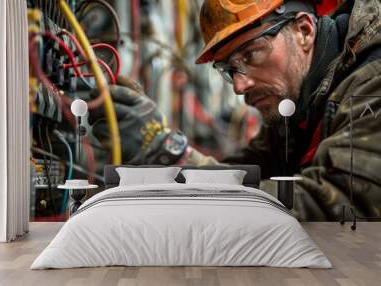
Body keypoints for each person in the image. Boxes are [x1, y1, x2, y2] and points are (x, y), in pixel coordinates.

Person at [90, 0, 381, 221]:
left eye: (251, 54)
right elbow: (240, 175)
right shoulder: (297, 110)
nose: (239, 86)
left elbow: (337, 207)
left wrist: (169, 151)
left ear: (303, 31)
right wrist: (162, 156)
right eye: (229, 69)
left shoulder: (372, 81)